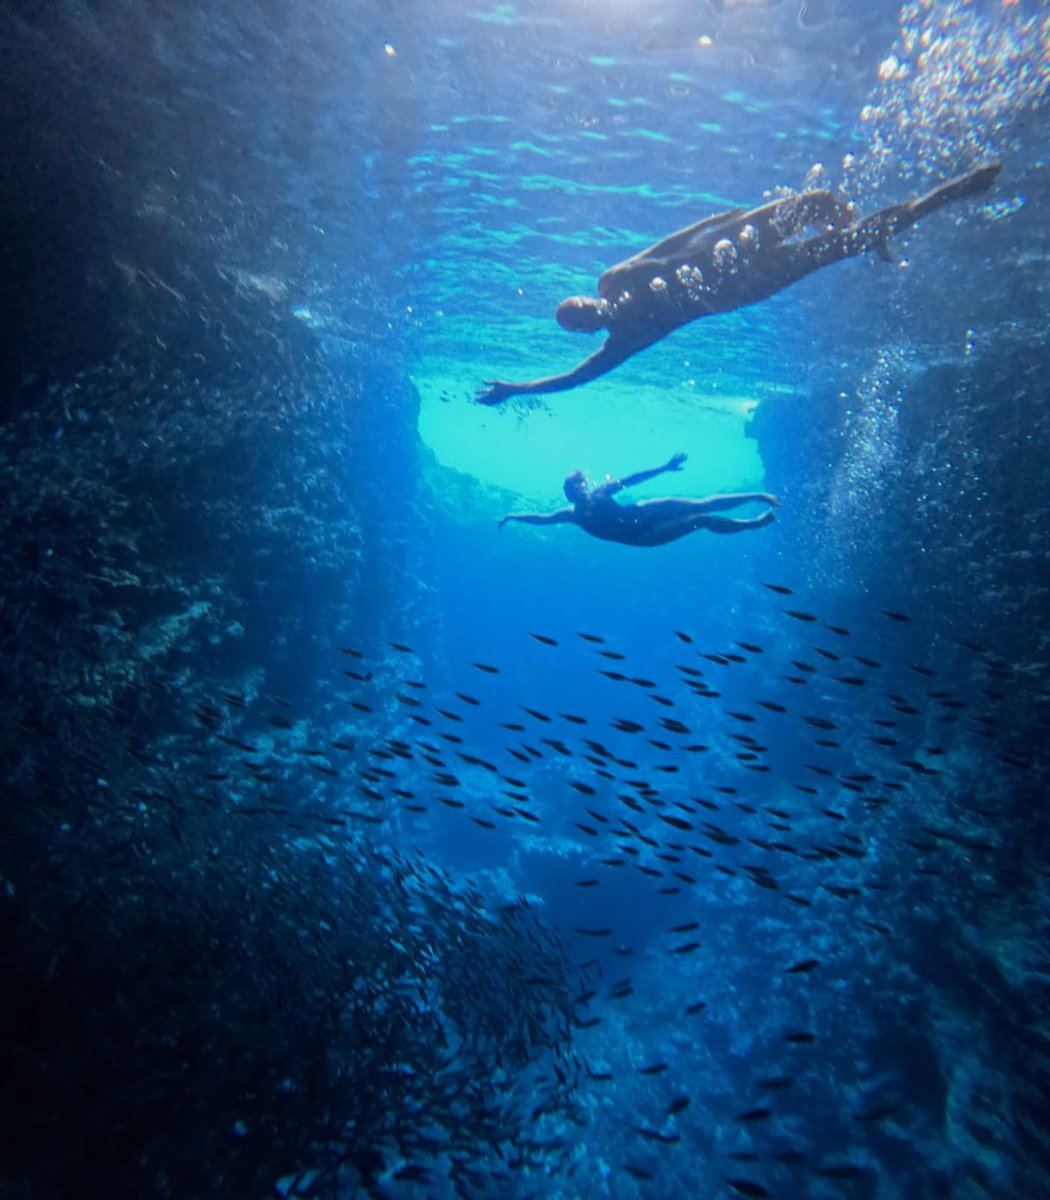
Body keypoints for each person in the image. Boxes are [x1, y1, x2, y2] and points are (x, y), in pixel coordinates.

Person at [477, 162, 1002, 404]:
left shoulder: (614, 277)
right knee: (846, 243)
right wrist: (515, 389)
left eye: (583, 306)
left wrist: (711, 221)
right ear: (588, 331)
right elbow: (573, 380)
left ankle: (868, 234)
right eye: (584, 321)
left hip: (734, 239)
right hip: (747, 285)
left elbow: (662, 246)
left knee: (819, 199)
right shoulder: (625, 340)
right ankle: (946, 195)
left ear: (588, 296)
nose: (592, 313)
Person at [498, 453, 778, 547]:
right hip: (640, 536)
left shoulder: (600, 492)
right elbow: (541, 518)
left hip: (639, 512)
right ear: (572, 493)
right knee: (702, 519)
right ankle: (752, 524)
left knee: (701, 504)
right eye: (579, 487)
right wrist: (513, 515)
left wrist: (664, 468)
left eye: (584, 485)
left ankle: (756, 495)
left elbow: (633, 478)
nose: (585, 489)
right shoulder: (571, 514)